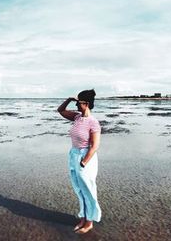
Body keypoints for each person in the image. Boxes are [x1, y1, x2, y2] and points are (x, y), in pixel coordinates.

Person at [56, 89, 102, 234]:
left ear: (86, 104)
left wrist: (83, 162)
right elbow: (60, 110)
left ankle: (89, 222)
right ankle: (83, 218)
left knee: (88, 190)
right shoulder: (77, 117)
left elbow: (95, 146)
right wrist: (69, 99)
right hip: (74, 155)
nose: (76, 105)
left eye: (78, 102)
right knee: (79, 189)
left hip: (85, 158)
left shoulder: (93, 122)